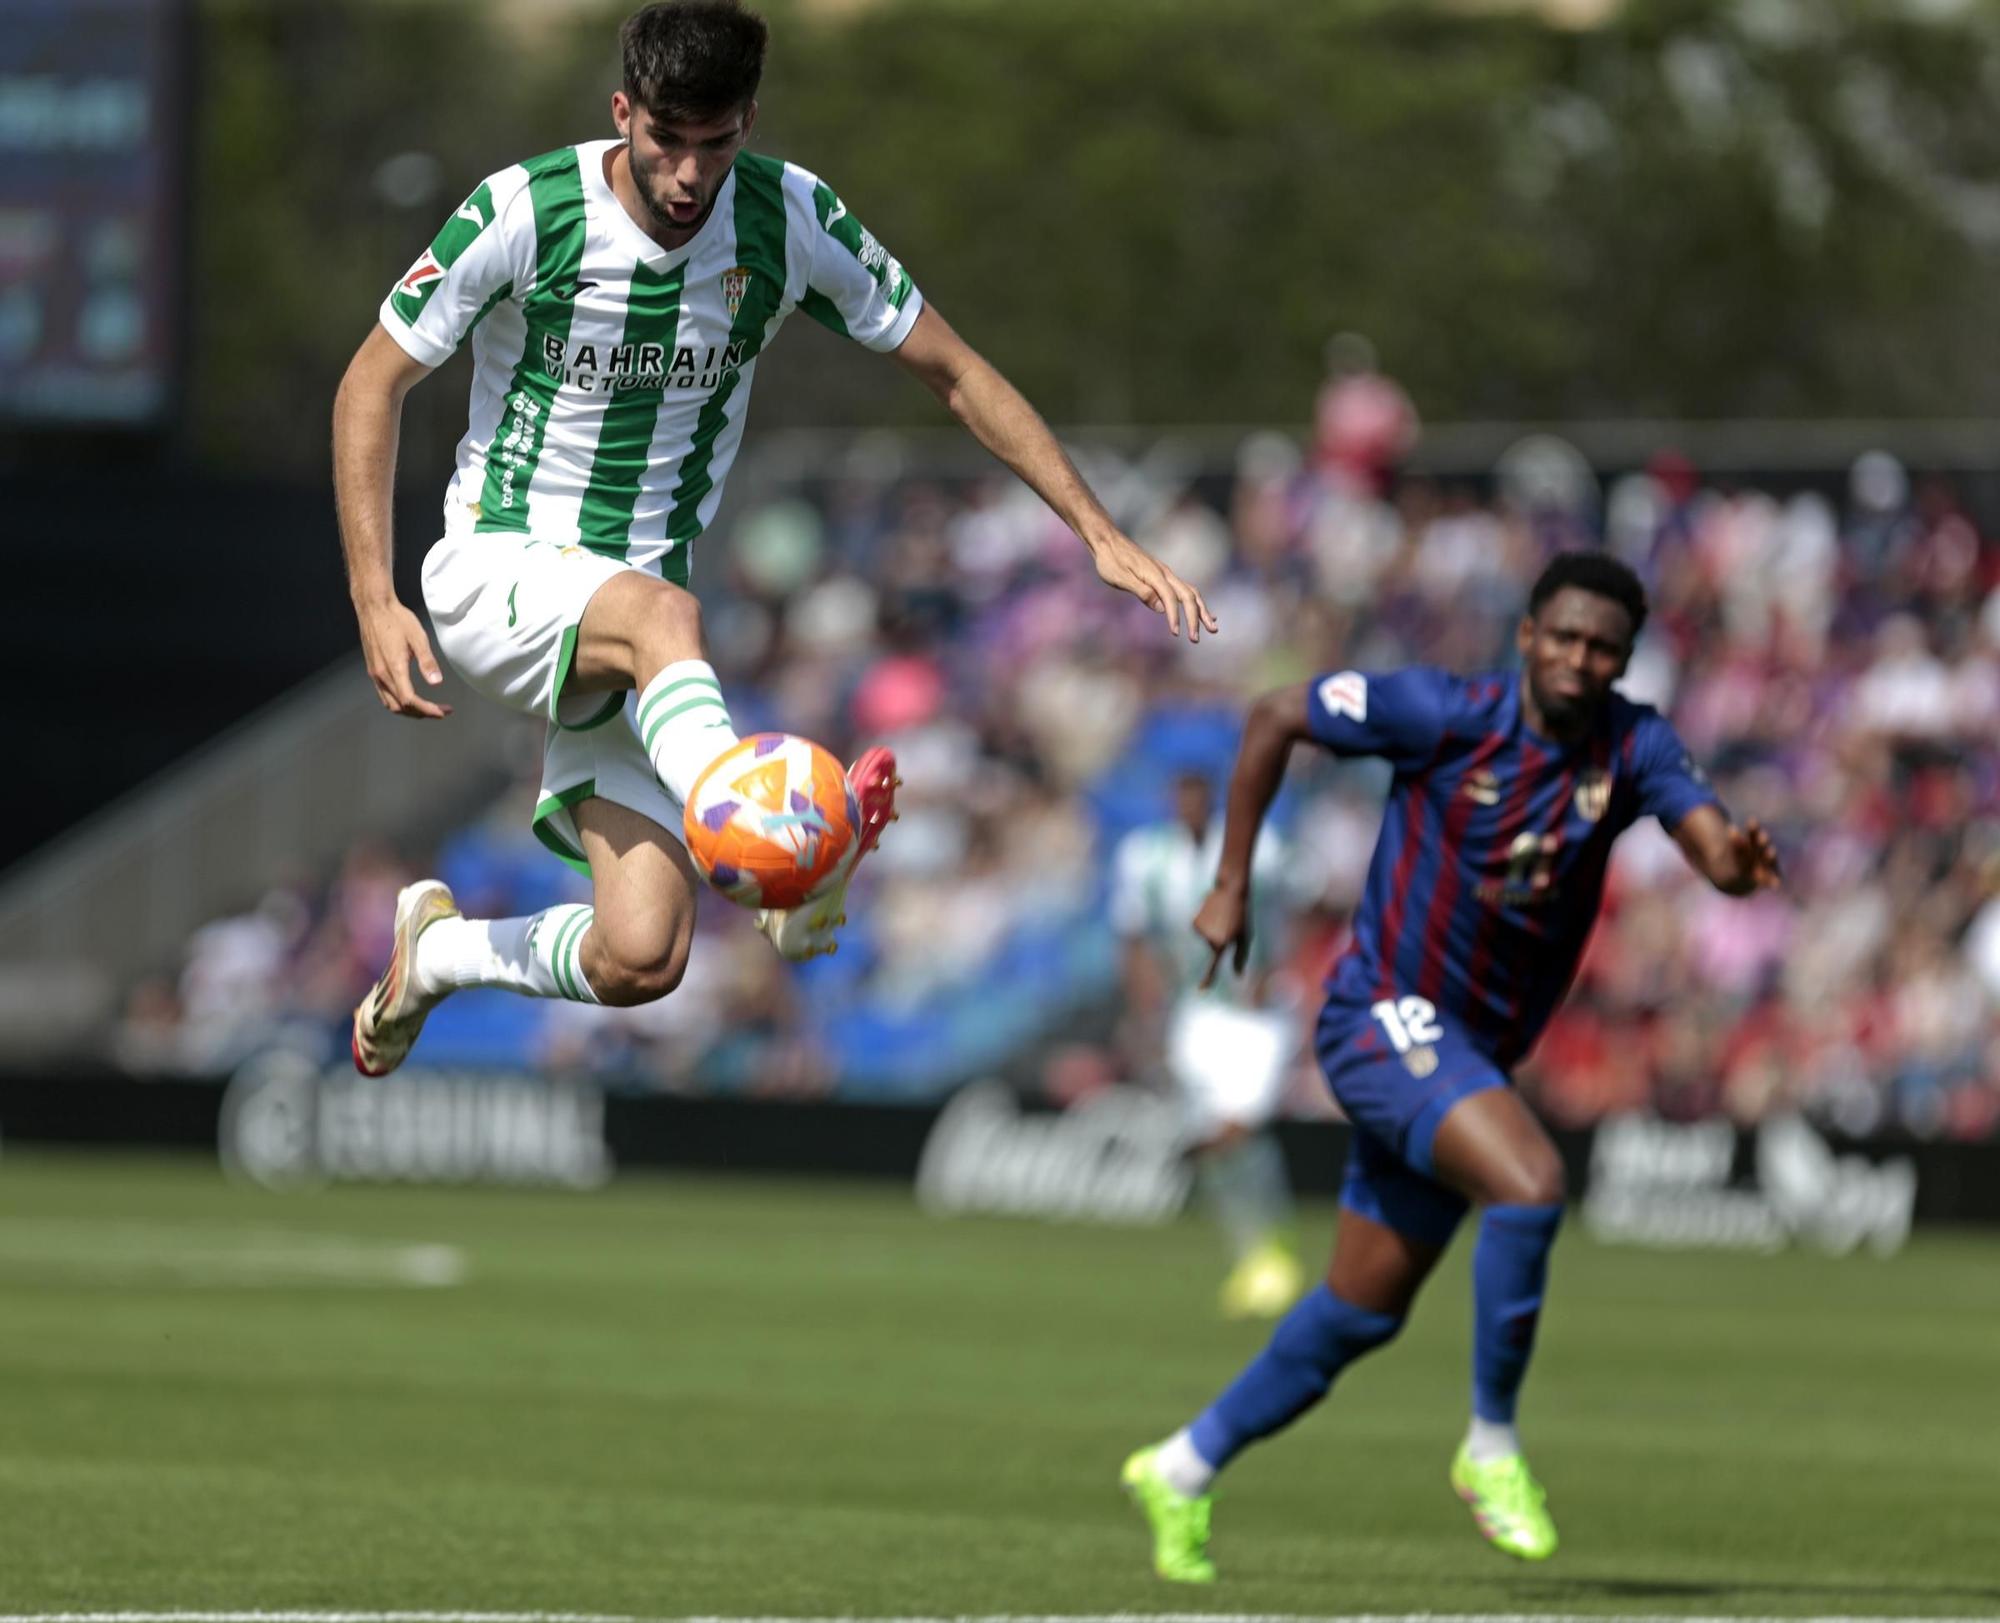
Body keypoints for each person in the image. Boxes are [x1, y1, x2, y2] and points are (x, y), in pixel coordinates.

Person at [331, 0, 1214, 1075]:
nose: (690, 175)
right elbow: (372, 383)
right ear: (624, 113)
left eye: (717, 143)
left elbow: (953, 371)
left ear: (747, 122)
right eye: (666, 139)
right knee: (666, 614)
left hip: (643, 641)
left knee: (641, 955)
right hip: (499, 569)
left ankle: (441, 955)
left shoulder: (791, 218)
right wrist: (377, 597)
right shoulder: (523, 211)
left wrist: (1097, 531)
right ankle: (789, 855)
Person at [1120, 551, 1783, 1582]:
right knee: (1529, 1185)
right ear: (1525, 635)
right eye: (1561, 636)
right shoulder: (1440, 713)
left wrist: (1736, 865)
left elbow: (1711, 851)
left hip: (1462, 1052)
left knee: (1359, 1309)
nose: (1577, 657)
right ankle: (1490, 1446)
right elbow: (1270, 716)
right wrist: (1230, 882)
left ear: (1621, 659)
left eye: (1600, 645)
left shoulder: (1633, 744)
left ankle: (1179, 1465)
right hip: (1378, 1015)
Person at [1111, 770, 1308, 1318]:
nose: (1190, 807)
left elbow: (1308, 902)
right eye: (1181, 797)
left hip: (1259, 1015)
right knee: (1226, 1146)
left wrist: (1279, 964)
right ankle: (1259, 1257)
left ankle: (1269, 1247)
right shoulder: (1145, 859)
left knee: (1235, 1128)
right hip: (1195, 1014)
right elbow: (1133, 938)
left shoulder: (1260, 848)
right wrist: (1144, 1012)